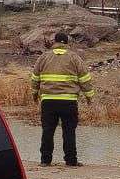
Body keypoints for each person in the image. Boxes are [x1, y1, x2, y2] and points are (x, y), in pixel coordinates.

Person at [29, 31, 94, 166]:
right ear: (67, 43)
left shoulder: (44, 57)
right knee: (69, 131)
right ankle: (71, 161)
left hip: (48, 101)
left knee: (47, 131)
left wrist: (35, 95)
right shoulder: (74, 58)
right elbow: (84, 79)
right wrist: (89, 97)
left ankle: (45, 161)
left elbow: (35, 78)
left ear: (54, 42)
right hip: (69, 101)